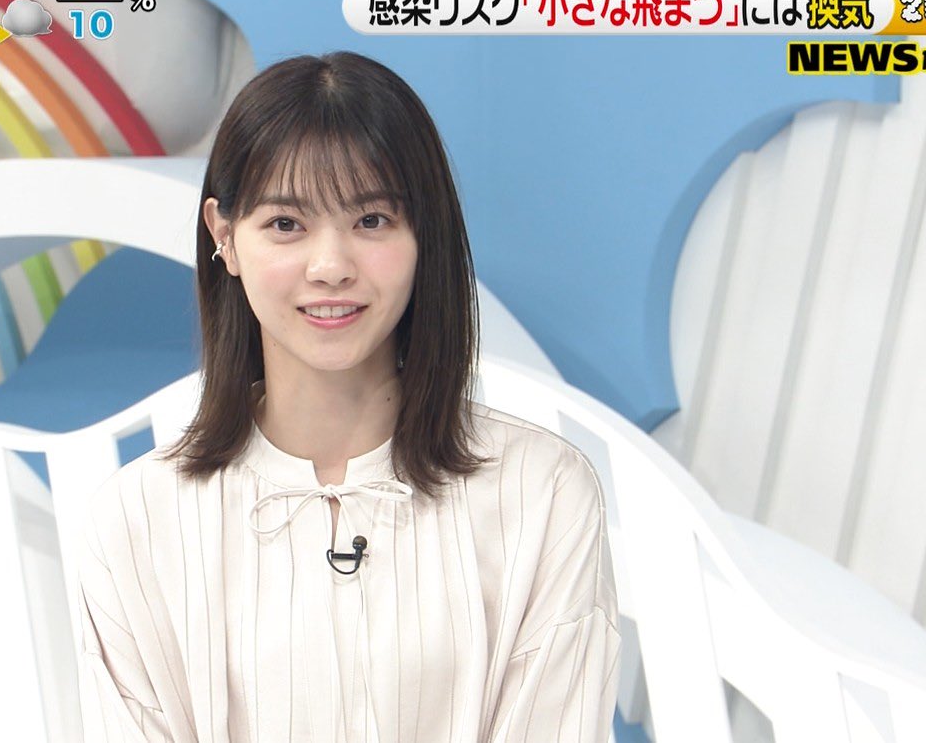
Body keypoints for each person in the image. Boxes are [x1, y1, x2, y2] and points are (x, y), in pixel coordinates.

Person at [76, 51, 621, 742]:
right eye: (286, 224)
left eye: (371, 220)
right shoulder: (135, 519)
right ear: (225, 237)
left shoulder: (543, 491)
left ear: (424, 234)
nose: (330, 267)